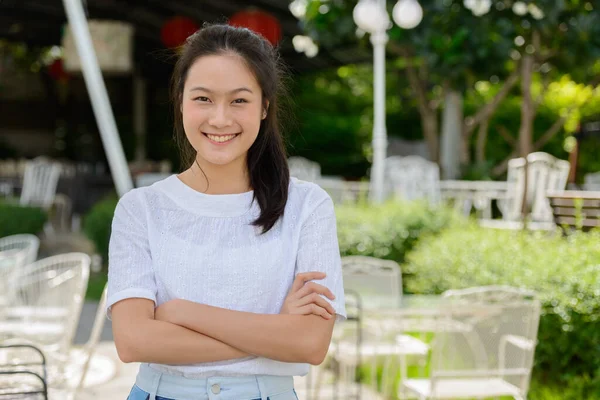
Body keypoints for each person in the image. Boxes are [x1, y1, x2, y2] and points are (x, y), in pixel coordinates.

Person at [107, 23, 346, 400]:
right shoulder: (141, 209)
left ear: (264, 106)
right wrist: (275, 332)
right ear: (181, 100)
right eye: (203, 98)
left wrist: (183, 312)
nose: (220, 119)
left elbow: (311, 344)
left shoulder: (307, 206)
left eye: (239, 100)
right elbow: (134, 340)